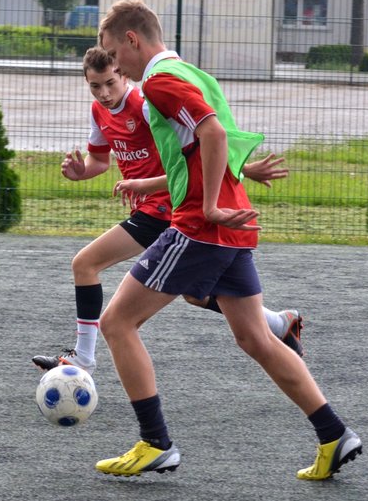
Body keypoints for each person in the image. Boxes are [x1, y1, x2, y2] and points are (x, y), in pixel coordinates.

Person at [93, 0, 362, 480]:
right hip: (231, 229)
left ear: (132, 40)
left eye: (114, 54)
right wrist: (209, 179)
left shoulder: (158, 82)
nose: (115, 66)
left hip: (201, 226)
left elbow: (214, 135)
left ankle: (155, 444)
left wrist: (212, 206)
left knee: (116, 323)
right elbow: (208, 146)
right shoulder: (194, 73)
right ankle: (334, 434)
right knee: (255, 337)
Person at [32, 47, 304, 375]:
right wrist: (81, 171)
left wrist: (242, 169)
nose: (103, 93)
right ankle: (280, 323)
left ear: (123, 75)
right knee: (195, 294)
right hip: (160, 212)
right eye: (95, 86)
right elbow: (100, 161)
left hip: (164, 209)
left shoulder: (145, 106)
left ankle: (83, 359)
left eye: (110, 83)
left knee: (85, 264)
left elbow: (199, 146)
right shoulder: (98, 111)